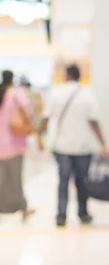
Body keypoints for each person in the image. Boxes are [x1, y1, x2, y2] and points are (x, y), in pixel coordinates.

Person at [38, 64, 107, 227]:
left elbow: (46, 118)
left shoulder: (56, 93)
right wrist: (102, 143)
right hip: (83, 146)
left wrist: (39, 136)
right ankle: (83, 213)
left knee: (63, 181)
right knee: (82, 181)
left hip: (62, 146)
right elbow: (94, 121)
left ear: (67, 75)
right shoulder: (87, 93)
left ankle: (61, 215)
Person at [0, 70, 36, 223]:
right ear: (12, 80)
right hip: (14, 145)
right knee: (15, 179)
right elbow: (26, 114)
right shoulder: (17, 94)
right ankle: (23, 208)